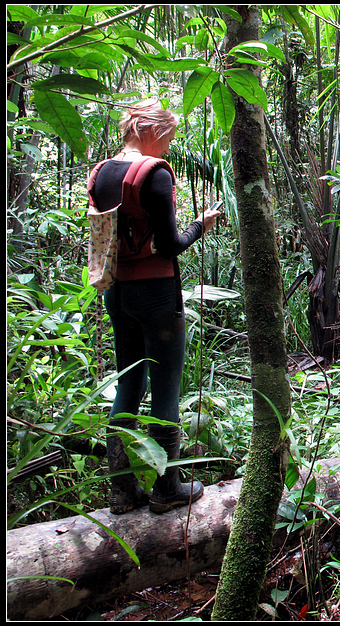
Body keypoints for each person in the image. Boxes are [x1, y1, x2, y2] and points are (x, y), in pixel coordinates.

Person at [92, 99, 221, 514]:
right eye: (166, 138)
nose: (167, 148)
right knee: (165, 388)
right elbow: (169, 244)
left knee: (129, 384)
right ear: (149, 130)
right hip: (158, 295)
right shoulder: (155, 174)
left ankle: (121, 490)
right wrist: (201, 225)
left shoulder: (102, 172)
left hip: (118, 291)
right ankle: (167, 487)